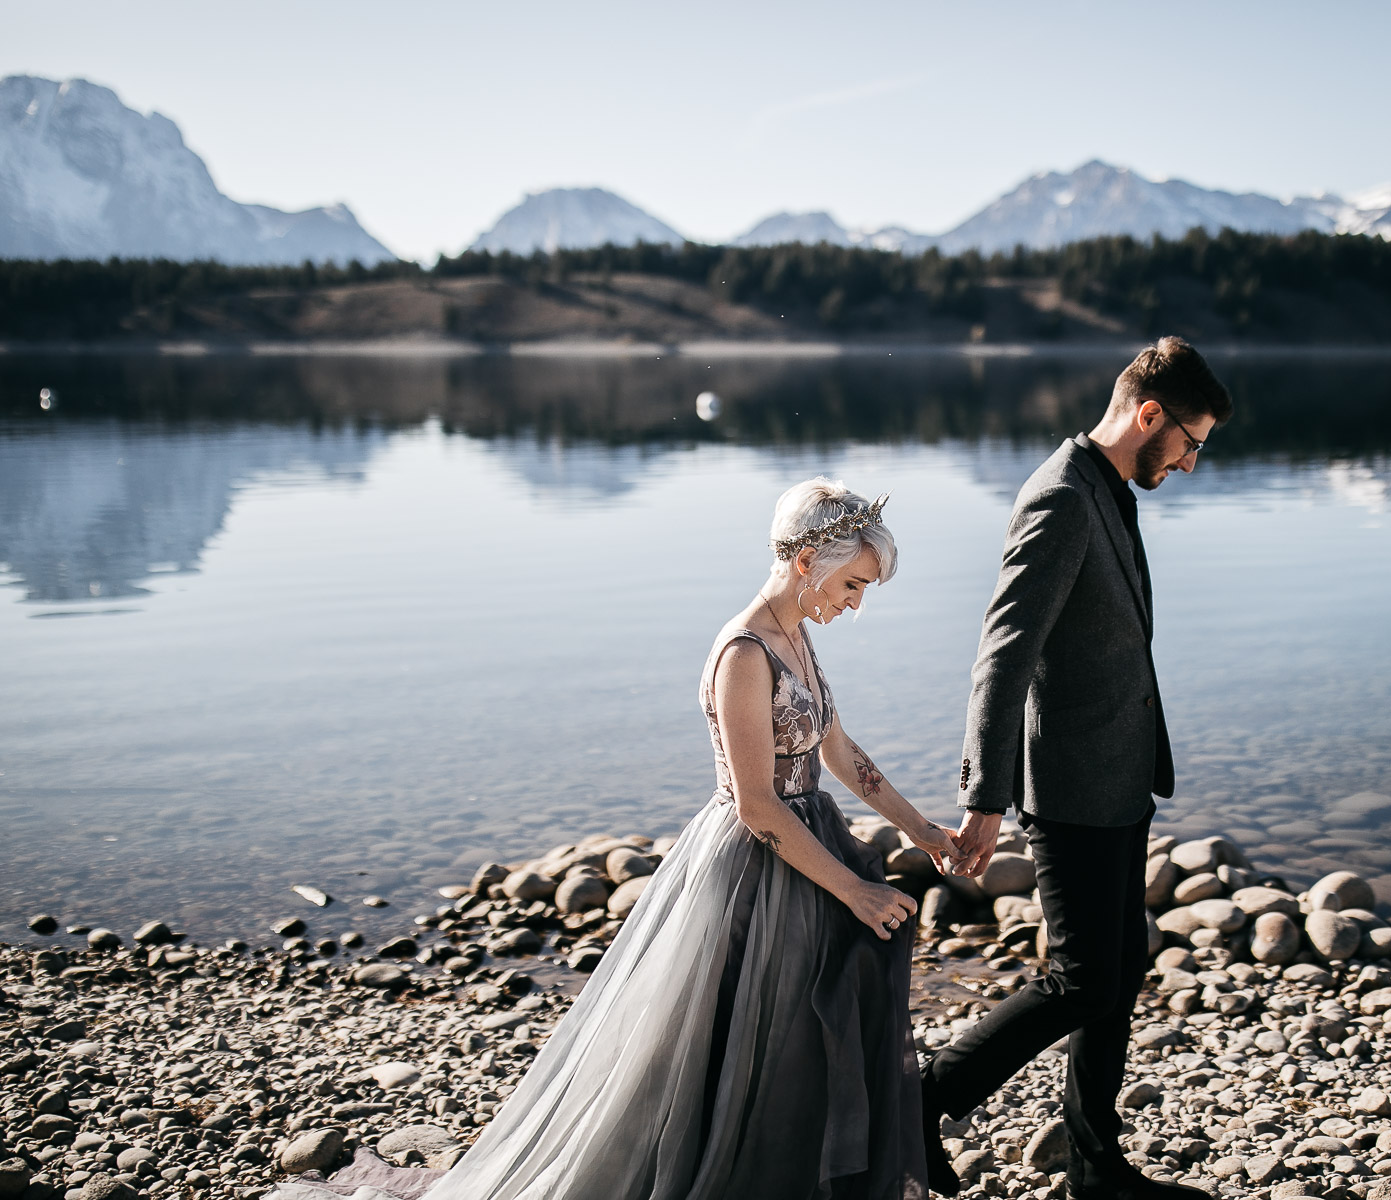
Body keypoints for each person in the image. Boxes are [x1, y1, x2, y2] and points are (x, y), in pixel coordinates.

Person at [276, 478, 958, 1200]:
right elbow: (757, 806)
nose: (854, 604)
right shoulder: (745, 652)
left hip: (809, 847)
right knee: (731, 1041)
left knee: (800, 1033)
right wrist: (853, 889)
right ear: (807, 561)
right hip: (755, 864)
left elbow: (840, 752)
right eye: (853, 585)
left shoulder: (798, 638)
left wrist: (923, 832)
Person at [926, 337, 1234, 1199]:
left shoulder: (1110, 487)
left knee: (1120, 971)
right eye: (1190, 442)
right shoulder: (1062, 496)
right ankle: (922, 1099)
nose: (1190, 462)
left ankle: (1096, 1168)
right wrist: (985, 796)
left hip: (1120, 776)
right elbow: (1004, 654)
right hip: (1067, 788)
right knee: (1081, 979)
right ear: (1149, 414)